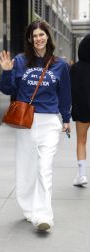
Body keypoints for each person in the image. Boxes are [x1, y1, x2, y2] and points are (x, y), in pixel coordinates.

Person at [0, 20, 71, 232]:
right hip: (26, 122)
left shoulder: (60, 65)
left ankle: (43, 216)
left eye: (42, 34)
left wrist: (66, 119)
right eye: (34, 35)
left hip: (49, 122)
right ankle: (29, 208)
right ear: (30, 39)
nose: (39, 39)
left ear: (48, 36)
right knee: (27, 169)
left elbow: (65, 96)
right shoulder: (20, 61)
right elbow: (6, 89)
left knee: (45, 169)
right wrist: (7, 71)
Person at [70, 34, 90, 186]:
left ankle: (82, 175)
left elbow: (72, 91)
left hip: (82, 110)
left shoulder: (75, 68)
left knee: (81, 141)